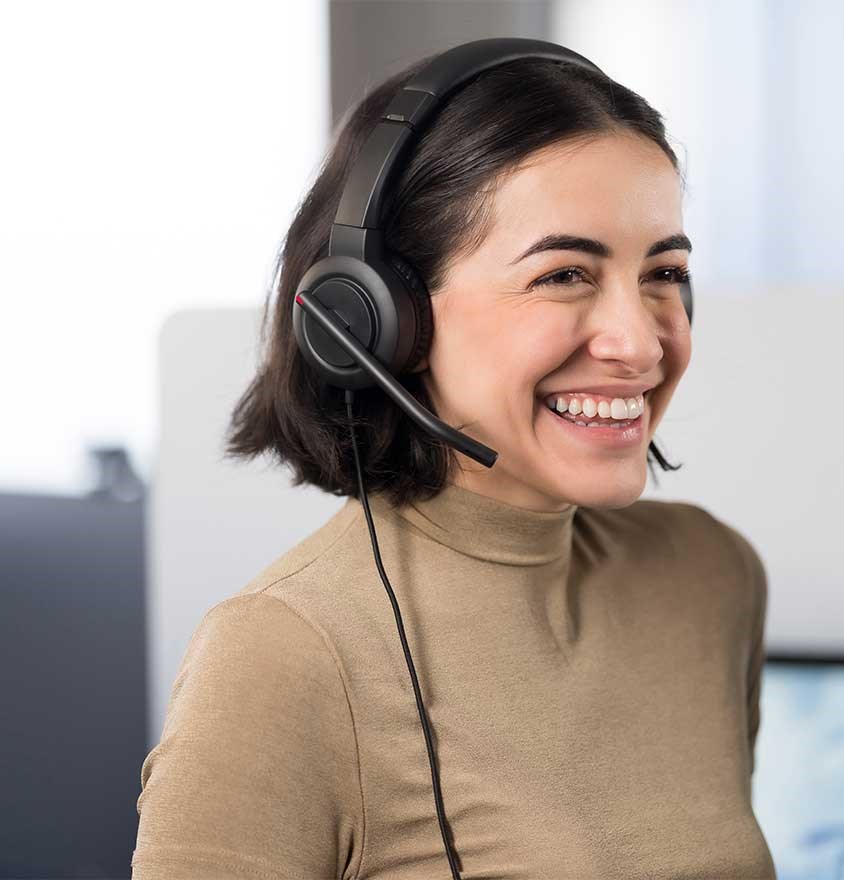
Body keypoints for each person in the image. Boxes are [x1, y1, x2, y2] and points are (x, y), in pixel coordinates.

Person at [131, 43, 775, 880]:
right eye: (566, 274)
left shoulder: (709, 575)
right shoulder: (283, 653)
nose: (639, 339)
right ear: (380, 316)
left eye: (665, 272)